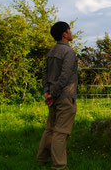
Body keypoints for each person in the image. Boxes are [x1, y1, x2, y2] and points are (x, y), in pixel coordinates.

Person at [37, 21, 78, 169]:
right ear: (65, 34)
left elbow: (45, 74)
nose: (71, 32)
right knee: (61, 132)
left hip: (53, 97)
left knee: (50, 128)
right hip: (65, 96)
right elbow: (65, 76)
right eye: (69, 30)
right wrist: (52, 94)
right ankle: (59, 166)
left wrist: (47, 92)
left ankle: (42, 159)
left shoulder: (51, 52)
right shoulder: (69, 52)